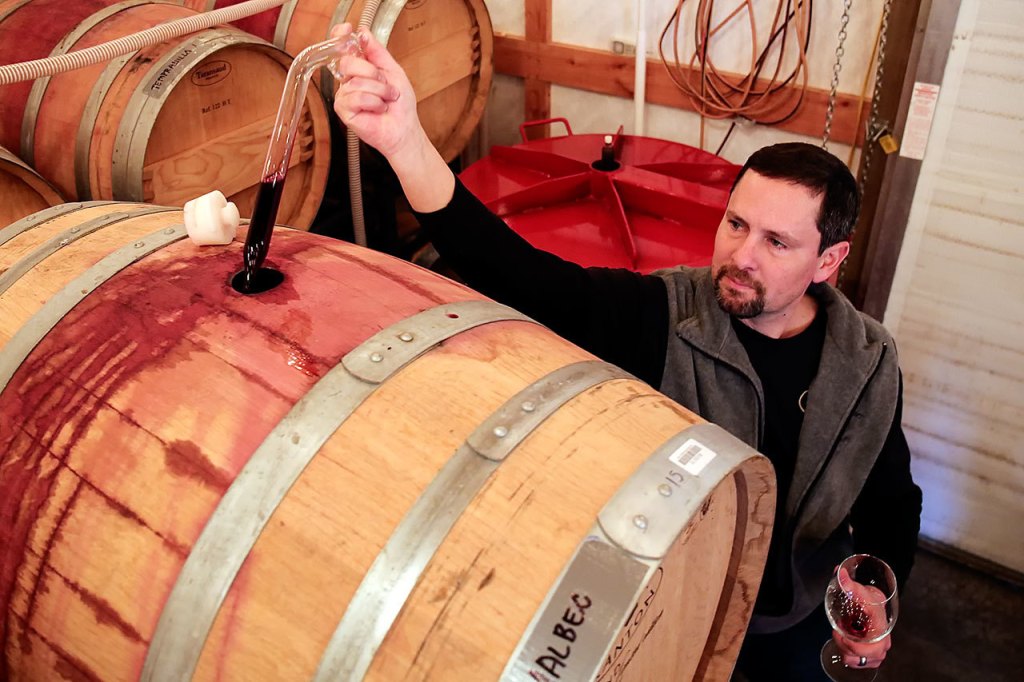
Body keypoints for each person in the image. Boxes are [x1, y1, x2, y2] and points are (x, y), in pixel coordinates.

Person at [330, 24, 922, 681]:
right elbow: (522, 277)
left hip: (796, 621)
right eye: (735, 223)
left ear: (829, 261)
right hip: (675, 614)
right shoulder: (665, 314)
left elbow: (891, 499)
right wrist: (406, 143)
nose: (741, 256)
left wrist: (879, 590)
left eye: (776, 243)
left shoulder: (869, 361)